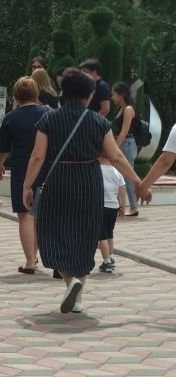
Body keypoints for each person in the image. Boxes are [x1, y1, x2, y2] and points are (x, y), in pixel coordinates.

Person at [21, 68, 144, 314]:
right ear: (88, 96)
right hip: (89, 181)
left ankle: (70, 281)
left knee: (53, 230)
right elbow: (116, 156)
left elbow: (37, 156)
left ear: (64, 92)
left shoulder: (49, 119)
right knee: (85, 234)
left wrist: (27, 185)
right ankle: (77, 299)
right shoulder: (99, 122)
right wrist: (138, 181)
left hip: (59, 180)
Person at [0, 77, 49, 274]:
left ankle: (30, 261)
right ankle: (38, 255)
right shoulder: (48, 113)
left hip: (21, 166)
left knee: (25, 214)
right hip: (46, 165)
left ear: (16, 95)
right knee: (41, 214)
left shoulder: (11, 118)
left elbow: (3, 147)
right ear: (36, 93)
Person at [110, 82, 140, 217]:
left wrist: (114, 147)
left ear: (121, 95)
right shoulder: (121, 109)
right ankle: (121, 206)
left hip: (127, 144)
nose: (112, 97)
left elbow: (124, 131)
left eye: (114, 94)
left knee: (127, 176)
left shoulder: (128, 109)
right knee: (119, 177)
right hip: (123, 143)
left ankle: (133, 207)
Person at [97, 156, 124, 275]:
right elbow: (122, 191)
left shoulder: (97, 170)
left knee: (102, 236)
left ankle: (106, 262)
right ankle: (111, 257)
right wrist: (122, 206)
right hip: (114, 206)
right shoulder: (117, 172)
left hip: (101, 206)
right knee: (109, 234)